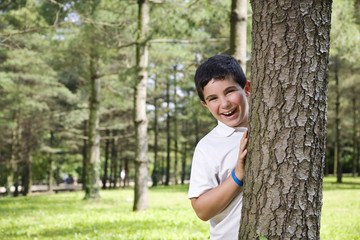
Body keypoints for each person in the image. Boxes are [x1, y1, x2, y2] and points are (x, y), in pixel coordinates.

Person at [188, 54, 250, 240]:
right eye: (213, 98)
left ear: (247, 88)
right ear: (205, 104)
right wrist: (238, 175)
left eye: (230, 91)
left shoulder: (271, 129)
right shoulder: (208, 147)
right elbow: (201, 210)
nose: (225, 103)